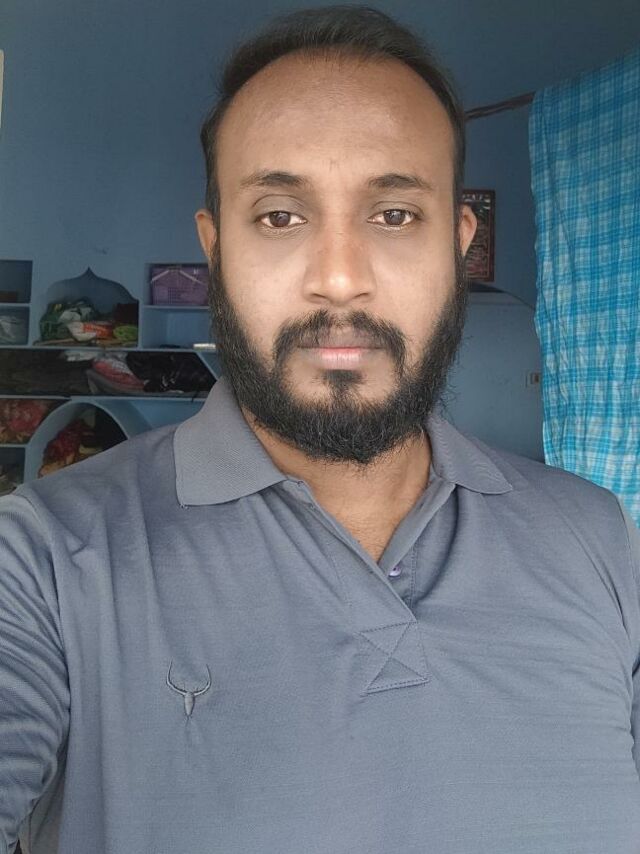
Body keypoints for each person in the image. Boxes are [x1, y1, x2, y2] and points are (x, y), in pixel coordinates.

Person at [1, 6, 640, 853]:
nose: (340, 279)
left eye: (394, 215)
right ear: (216, 248)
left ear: (458, 244)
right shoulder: (41, 561)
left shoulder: (600, 540)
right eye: (280, 216)